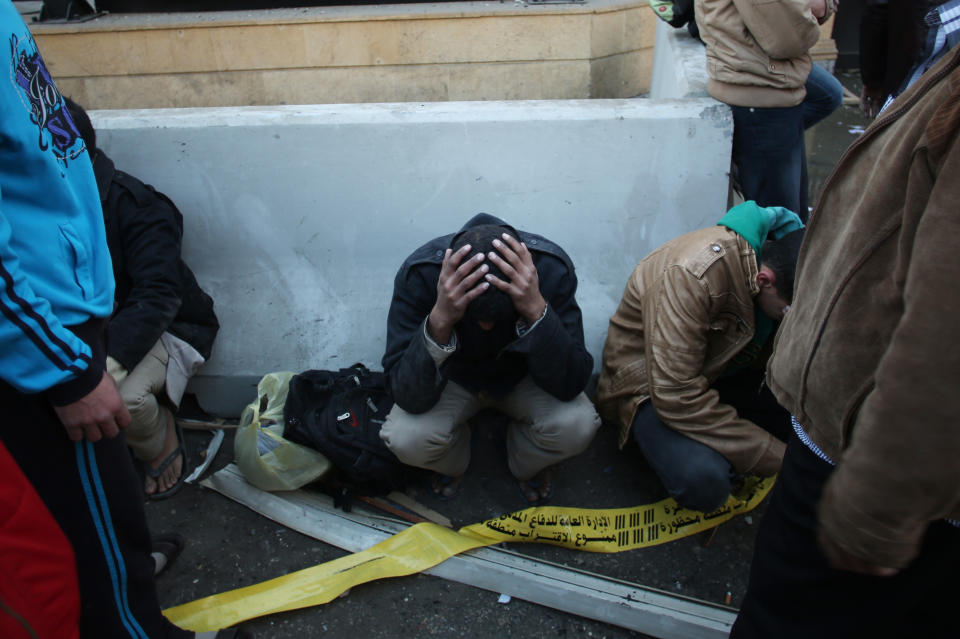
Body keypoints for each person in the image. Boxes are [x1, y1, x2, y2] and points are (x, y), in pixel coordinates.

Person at [0, 3, 246, 637]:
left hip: (148, 333)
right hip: (54, 343)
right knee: (91, 492)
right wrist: (77, 370)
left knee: (100, 475)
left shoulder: (138, 204)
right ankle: (120, 605)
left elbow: (162, 295)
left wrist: (103, 358)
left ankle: (122, 565)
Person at [731, 4, 960, 635]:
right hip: (850, 439)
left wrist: (878, 504)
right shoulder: (693, 285)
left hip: (867, 452)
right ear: (762, 281)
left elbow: (944, 334)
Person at [595, 201, 804, 512]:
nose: (792, 321)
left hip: (718, 372)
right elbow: (677, 396)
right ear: (764, 280)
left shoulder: (789, 263)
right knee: (705, 481)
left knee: (813, 432)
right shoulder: (693, 274)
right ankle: (652, 453)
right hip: (650, 387)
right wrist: (779, 459)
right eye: (789, 312)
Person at [380, 213, 601, 504]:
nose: (486, 328)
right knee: (405, 438)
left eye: (497, 320)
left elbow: (572, 382)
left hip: (526, 376)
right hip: (453, 378)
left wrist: (536, 309)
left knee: (579, 425)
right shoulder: (421, 274)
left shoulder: (550, 269)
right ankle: (459, 456)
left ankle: (519, 456)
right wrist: (441, 319)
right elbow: (403, 393)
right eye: (477, 319)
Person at [65, 98, 219, 500]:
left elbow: (159, 294)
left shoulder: (137, 206)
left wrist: (103, 369)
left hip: (164, 328)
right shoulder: (38, 208)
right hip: (81, 328)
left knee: (119, 398)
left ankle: (161, 441)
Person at [695, 0, 837, 219]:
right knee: (782, 229)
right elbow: (790, 38)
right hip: (762, 93)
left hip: (762, 88)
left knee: (786, 223)